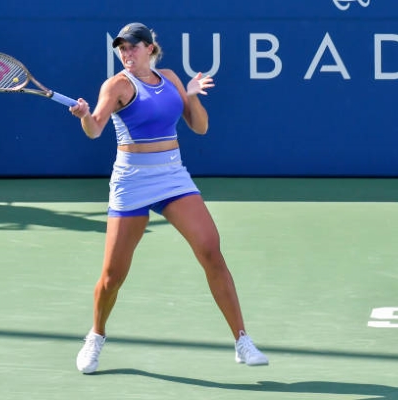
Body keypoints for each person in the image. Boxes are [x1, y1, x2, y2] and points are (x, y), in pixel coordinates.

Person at [69, 22, 269, 374]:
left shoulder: (172, 79)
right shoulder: (116, 85)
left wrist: (189, 95)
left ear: (150, 48)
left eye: (132, 47)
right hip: (132, 181)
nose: (125, 53)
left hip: (173, 176)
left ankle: (242, 340)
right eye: (121, 48)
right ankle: (96, 336)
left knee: (211, 249)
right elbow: (95, 129)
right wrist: (86, 116)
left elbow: (200, 127)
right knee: (113, 276)